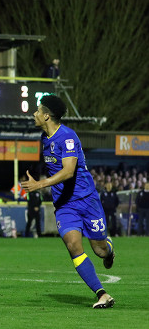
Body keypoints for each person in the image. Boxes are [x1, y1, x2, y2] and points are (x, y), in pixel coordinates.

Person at [21, 94, 115, 309]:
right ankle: (102, 294)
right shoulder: (44, 139)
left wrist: (40, 184)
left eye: (37, 111)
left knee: (99, 250)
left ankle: (109, 249)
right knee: (73, 246)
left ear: (46, 116)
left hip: (87, 200)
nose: (34, 114)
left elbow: (69, 171)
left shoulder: (67, 137)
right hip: (65, 205)